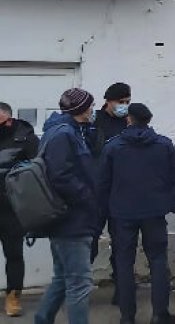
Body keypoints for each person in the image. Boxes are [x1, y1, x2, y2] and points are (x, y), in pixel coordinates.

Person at [99, 103, 175, 324]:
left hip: (122, 213)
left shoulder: (113, 146)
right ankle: (159, 315)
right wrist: (167, 201)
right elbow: (174, 177)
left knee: (124, 262)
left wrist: (106, 209)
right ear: (148, 120)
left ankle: (127, 317)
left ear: (129, 120)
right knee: (158, 260)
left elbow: (103, 183)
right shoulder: (164, 145)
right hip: (154, 211)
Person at [34, 88, 100, 324]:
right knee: (79, 283)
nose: (93, 109)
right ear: (81, 109)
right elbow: (61, 176)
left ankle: (42, 319)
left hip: (67, 219)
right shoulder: (64, 134)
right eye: (90, 106)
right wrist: (87, 197)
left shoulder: (68, 131)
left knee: (63, 277)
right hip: (72, 220)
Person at [89, 82, 132, 301]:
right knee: (89, 242)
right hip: (95, 192)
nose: (124, 105)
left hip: (121, 192)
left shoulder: (129, 122)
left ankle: (122, 290)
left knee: (122, 244)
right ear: (108, 101)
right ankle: (80, 288)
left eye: (127, 102)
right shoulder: (93, 121)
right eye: (120, 101)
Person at [0, 102, 38, 317]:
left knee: (13, 254)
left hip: (11, 208)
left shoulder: (25, 139)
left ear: (7, 117)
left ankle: (13, 297)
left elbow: (38, 171)